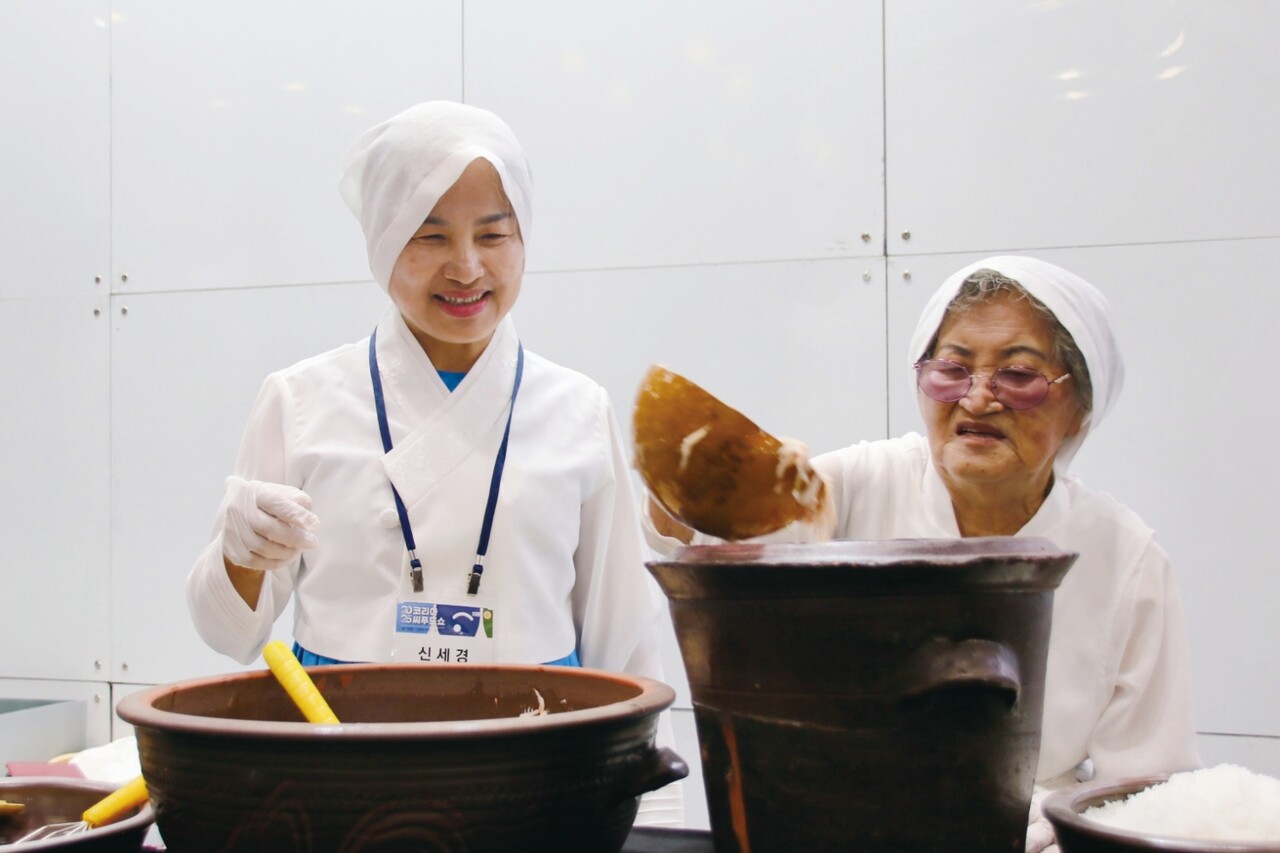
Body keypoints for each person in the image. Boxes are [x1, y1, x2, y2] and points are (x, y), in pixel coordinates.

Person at [187, 101, 681, 823]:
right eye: (430, 235)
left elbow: (625, 634)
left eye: (493, 234)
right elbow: (227, 630)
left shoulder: (578, 409)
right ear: (384, 241)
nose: (467, 267)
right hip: (344, 758)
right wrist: (240, 549)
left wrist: (638, 805)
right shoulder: (299, 401)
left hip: (539, 762)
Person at [646, 255, 1199, 850]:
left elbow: (1144, 790)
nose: (978, 399)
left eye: (1017, 375)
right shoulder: (864, 482)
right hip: (840, 822)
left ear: (1080, 410)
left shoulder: (1124, 558)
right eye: (951, 369)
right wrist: (695, 482)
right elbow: (714, 546)